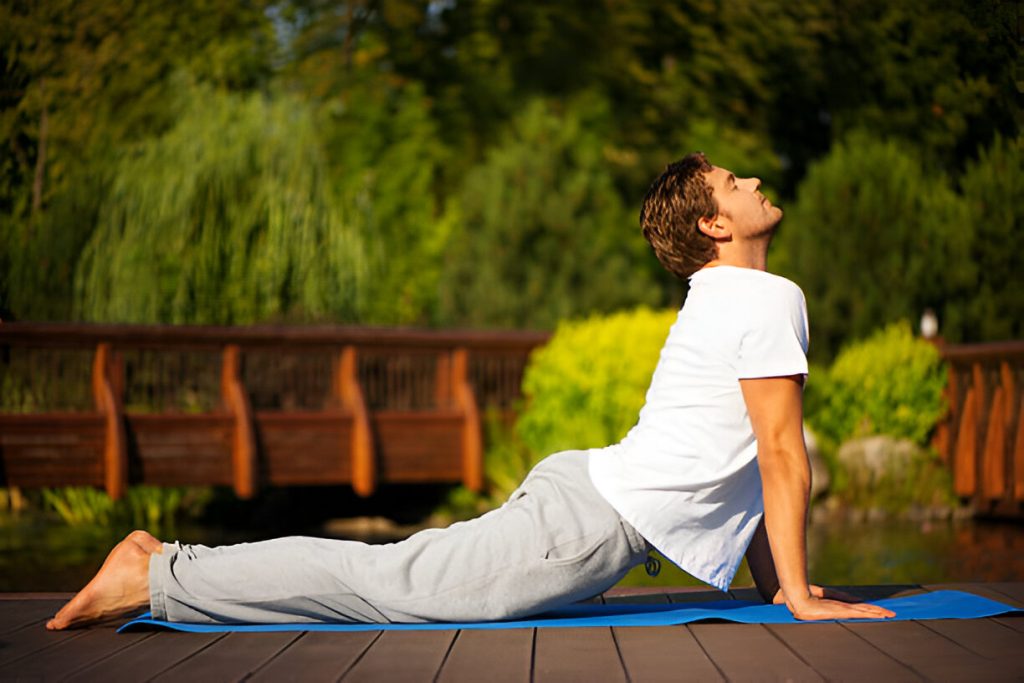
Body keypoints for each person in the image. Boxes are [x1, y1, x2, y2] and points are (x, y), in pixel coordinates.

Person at [47, 153, 896, 630]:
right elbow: (780, 455)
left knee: (391, 576)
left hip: (585, 506)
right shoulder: (763, 295)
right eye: (733, 182)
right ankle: (161, 572)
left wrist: (781, 588)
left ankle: (162, 568)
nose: (752, 180)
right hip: (586, 523)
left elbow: (749, 459)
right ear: (716, 225)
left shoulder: (729, 297)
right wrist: (805, 599)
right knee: (386, 586)